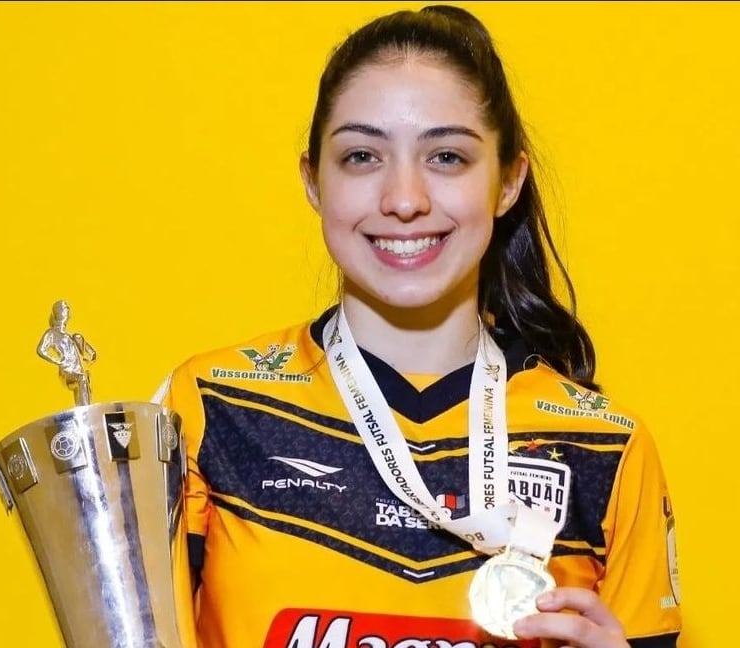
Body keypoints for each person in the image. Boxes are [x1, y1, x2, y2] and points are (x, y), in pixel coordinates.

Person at [155, 5, 681, 647]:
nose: (405, 199)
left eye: (448, 157)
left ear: (508, 181)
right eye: (361, 156)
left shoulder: (606, 448)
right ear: (313, 181)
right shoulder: (214, 405)